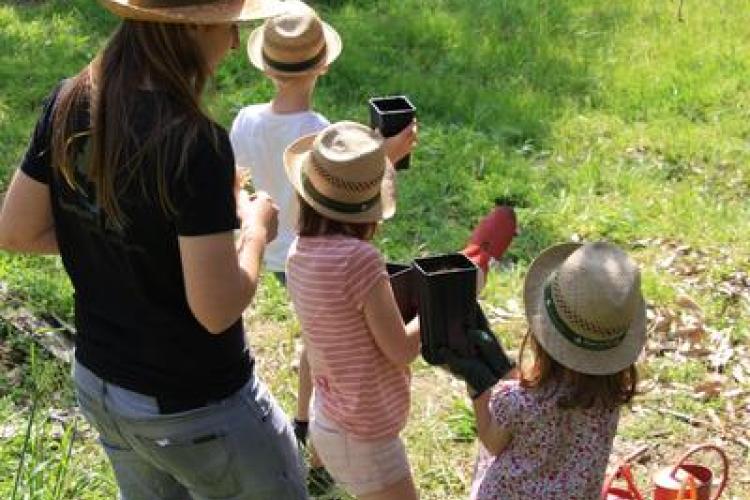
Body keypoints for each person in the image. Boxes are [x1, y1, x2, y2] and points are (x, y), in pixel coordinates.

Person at [0, 1, 308, 498]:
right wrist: (255, 230)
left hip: (102, 385)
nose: (233, 42)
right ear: (186, 29)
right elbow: (216, 309)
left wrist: (137, 241)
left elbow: (16, 230)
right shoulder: (195, 143)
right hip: (196, 405)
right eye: (226, 26)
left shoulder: (71, 101)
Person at [230, 3, 416, 492]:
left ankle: (308, 427)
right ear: (323, 65)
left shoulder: (246, 120)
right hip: (319, 254)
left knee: (318, 335)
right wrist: (386, 159)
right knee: (326, 341)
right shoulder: (317, 126)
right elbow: (341, 192)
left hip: (271, 251)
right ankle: (312, 436)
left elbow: (237, 181)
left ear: (265, 66)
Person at [443, 242, 645, 500]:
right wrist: (506, 371)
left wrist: (479, 388)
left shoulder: (515, 401)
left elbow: (492, 442)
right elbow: (555, 402)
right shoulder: (609, 400)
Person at [285, 121, 420, 500]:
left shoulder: (299, 253)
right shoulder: (360, 260)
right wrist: (440, 303)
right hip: (365, 435)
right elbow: (402, 349)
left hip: (328, 416)